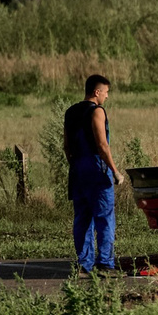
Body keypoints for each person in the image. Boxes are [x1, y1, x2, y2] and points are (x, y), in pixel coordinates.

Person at [63, 74, 126, 273]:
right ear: (97, 92)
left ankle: (84, 263)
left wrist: (75, 165)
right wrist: (115, 171)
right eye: (106, 92)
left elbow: (66, 146)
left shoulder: (70, 112)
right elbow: (102, 145)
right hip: (96, 167)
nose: (107, 97)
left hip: (77, 167)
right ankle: (106, 263)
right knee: (105, 217)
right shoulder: (97, 111)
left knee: (82, 217)